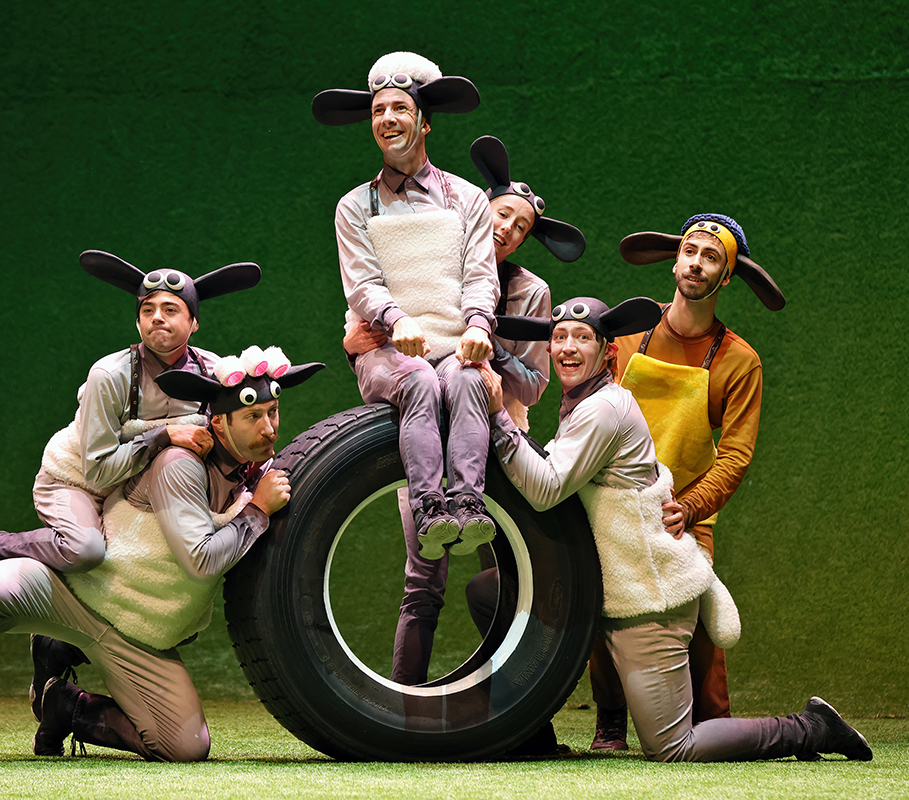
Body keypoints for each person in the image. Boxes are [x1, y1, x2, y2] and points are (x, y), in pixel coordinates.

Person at [0, 346, 323, 769]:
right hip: (72, 594)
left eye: (272, 412)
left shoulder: (257, 474)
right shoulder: (181, 464)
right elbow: (201, 560)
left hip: (134, 632)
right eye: (253, 416)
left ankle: (65, 705)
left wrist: (257, 500)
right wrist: (257, 512)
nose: (269, 428)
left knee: (186, 747)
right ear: (219, 424)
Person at [471, 297, 868, 762]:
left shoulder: (605, 408)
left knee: (673, 746)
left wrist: (499, 416)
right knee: (490, 592)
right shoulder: (580, 404)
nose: (567, 348)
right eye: (559, 338)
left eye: (582, 338)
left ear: (608, 352)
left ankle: (810, 728)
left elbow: (546, 488)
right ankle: (529, 734)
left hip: (646, 595)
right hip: (603, 588)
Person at [344, 135, 586, 686]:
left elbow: (533, 386)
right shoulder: (432, 262)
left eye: (521, 227)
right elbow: (374, 331)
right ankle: (405, 700)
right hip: (424, 430)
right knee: (424, 579)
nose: (506, 229)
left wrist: (487, 343)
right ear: (478, 212)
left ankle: (515, 707)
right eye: (502, 215)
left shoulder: (530, 292)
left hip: (496, 436)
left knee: (505, 579)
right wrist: (357, 346)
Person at [587, 213, 786, 749]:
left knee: (701, 624)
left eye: (711, 257)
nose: (696, 263)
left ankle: (716, 723)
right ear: (674, 261)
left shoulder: (740, 360)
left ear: (727, 276)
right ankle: (610, 720)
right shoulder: (629, 329)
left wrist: (691, 508)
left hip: (681, 513)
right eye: (690, 251)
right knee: (602, 604)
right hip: (611, 502)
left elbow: (735, 456)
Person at [0, 250, 261, 590]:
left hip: (136, 489)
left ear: (194, 322)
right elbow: (96, 471)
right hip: (80, 480)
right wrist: (163, 435)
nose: (157, 318)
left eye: (170, 309)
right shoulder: (110, 374)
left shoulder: (214, 372)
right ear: (138, 322)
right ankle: (0, 547)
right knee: (85, 550)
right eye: (147, 310)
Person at [313, 51, 500, 560]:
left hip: (453, 343)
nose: (388, 118)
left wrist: (478, 326)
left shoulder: (468, 199)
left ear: (425, 122)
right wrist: (396, 320)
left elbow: (480, 275)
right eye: (378, 111)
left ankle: (468, 502)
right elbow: (362, 284)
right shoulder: (355, 206)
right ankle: (429, 509)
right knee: (418, 379)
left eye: (399, 108)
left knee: (467, 381)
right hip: (389, 351)